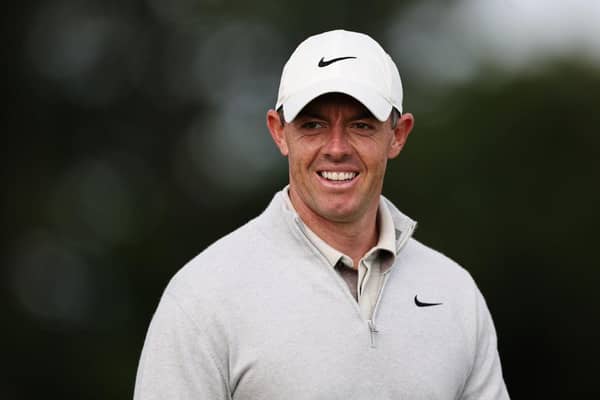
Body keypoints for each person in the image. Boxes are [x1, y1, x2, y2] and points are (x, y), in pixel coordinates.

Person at [133, 29, 510, 400]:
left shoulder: (455, 293)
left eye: (361, 125)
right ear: (278, 132)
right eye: (312, 125)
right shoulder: (204, 296)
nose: (336, 148)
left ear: (398, 134)